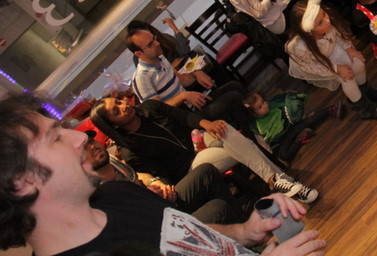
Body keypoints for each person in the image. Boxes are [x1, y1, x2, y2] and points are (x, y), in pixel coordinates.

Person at [0, 93, 326, 255]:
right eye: (55, 138)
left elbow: (181, 233)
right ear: (22, 181)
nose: (80, 138)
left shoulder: (116, 194)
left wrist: (244, 232)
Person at [89, 97, 319, 203]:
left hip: (198, 141)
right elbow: (165, 176)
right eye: (117, 111)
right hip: (190, 167)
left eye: (118, 102)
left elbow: (183, 116)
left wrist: (207, 124)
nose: (124, 106)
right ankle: (282, 181)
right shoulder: (130, 151)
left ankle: (280, 182)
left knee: (224, 129)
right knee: (241, 146)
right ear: (113, 126)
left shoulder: (149, 107)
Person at [84, 132, 246, 224]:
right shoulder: (95, 193)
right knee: (218, 208)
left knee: (206, 171)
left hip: (161, 204)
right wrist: (153, 199)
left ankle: (242, 226)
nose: (93, 147)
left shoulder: (112, 160)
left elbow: (137, 176)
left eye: (91, 141)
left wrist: (155, 183)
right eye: (85, 149)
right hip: (159, 227)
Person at [127, 26, 255, 134]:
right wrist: (183, 96)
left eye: (154, 38)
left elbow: (179, 77)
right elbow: (158, 112)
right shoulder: (142, 79)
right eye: (150, 44)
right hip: (184, 120)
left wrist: (196, 73)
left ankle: (250, 127)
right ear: (139, 54)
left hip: (192, 106)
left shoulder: (160, 59)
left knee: (234, 86)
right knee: (232, 97)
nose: (157, 43)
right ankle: (250, 135)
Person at [285, 0, 377, 120]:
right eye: (320, 22)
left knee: (358, 63)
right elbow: (313, 66)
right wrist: (336, 69)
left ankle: (366, 91)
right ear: (309, 31)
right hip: (320, 63)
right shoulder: (301, 48)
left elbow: (338, 35)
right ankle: (363, 107)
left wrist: (350, 49)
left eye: (324, 14)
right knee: (347, 78)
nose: (327, 20)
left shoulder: (325, 24)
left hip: (332, 48)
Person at [244, 92, 344, 162]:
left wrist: (297, 115)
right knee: (284, 156)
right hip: (283, 140)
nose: (265, 105)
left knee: (308, 121)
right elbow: (269, 140)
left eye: (263, 101)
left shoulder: (273, 105)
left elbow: (289, 106)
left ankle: (330, 110)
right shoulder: (258, 125)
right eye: (260, 107)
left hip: (292, 128)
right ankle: (300, 139)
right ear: (254, 114)